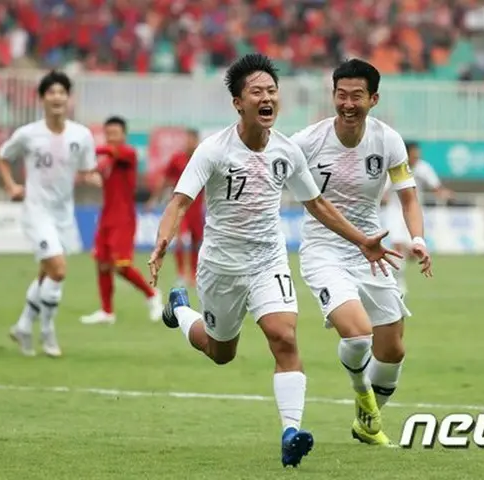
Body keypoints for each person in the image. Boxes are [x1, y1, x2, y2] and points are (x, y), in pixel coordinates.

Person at [147, 54, 399, 468]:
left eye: (271, 91)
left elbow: (316, 203)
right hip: (222, 268)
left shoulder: (286, 150)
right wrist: (162, 241)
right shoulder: (213, 150)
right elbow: (179, 202)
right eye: (256, 92)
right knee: (220, 351)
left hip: (269, 261)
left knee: (284, 337)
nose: (267, 98)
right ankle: (180, 309)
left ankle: (290, 432)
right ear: (238, 103)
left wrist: (361, 241)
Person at [291, 59, 433, 447]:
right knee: (357, 337)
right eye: (341, 95)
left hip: (373, 252)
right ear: (333, 96)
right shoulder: (307, 142)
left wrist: (418, 239)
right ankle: (362, 394)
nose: (348, 104)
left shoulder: (388, 141)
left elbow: (409, 196)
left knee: (393, 350)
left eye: (357, 96)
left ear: (373, 98)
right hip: (324, 250)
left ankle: (366, 424)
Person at [0, 70, 99, 357]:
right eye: (51, 92)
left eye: (61, 92)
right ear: (42, 98)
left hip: (63, 214)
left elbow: (87, 169)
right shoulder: (28, 134)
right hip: (36, 211)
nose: (57, 97)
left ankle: (23, 326)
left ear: (68, 98)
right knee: (59, 269)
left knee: (47, 272)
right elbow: (3, 157)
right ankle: (48, 331)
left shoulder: (82, 135)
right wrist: (11, 185)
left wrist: (93, 177)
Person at [79, 116, 164, 325]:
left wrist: (84, 149)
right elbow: (96, 174)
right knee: (102, 264)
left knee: (121, 265)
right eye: (108, 134)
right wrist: (90, 173)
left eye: (115, 134)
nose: (111, 138)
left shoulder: (128, 153)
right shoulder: (108, 161)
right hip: (106, 216)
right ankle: (107, 312)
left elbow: (106, 153)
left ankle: (152, 296)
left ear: (123, 135)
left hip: (123, 218)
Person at [381, 141, 453, 295]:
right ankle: (398, 283)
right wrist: (383, 198)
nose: (416, 158)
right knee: (397, 245)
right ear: (406, 154)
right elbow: (384, 190)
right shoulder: (395, 167)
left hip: (413, 212)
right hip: (395, 210)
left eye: (418, 156)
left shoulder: (423, 168)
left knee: (412, 252)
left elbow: (436, 186)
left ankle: (397, 272)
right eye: (414, 155)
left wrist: (443, 193)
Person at [146, 129, 202, 287]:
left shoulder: (202, 158)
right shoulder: (177, 159)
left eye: (193, 140)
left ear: (197, 141)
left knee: (196, 242)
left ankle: (193, 274)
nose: (190, 142)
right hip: (182, 208)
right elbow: (165, 179)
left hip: (197, 209)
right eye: (188, 139)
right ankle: (181, 273)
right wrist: (153, 199)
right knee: (181, 241)